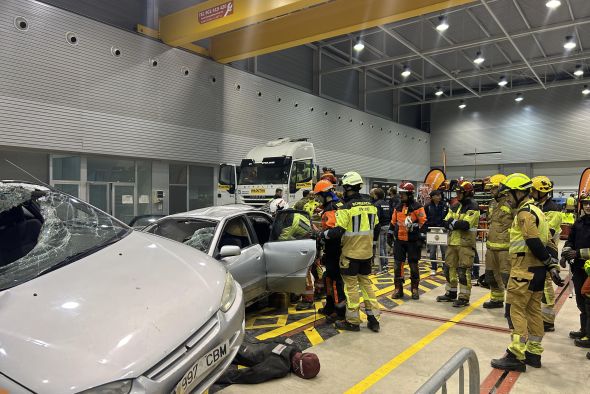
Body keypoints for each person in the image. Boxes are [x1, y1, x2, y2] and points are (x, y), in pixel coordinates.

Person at [491, 173, 564, 372]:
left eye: (508, 194)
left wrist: (550, 263)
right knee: (533, 311)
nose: (506, 198)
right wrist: (552, 265)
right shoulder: (538, 211)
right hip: (537, 272)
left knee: (514, 310)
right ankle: (534, 353)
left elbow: (532, 241)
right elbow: (548, 242)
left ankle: (516, 354)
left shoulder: (524, 213)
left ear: (519, 192)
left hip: (524, 269)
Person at [322, 171, 380, 332]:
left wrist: (322, 234)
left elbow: (337, 232)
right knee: (367, 285)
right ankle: (373, 319)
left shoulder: (345, 207)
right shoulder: (371, 205)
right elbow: (376, 228)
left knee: (351, 288)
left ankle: (353, 321)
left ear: (347, 187)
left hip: (350, 255)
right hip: (367, 254)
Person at [436, 181, 480, 307]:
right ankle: (451, 293)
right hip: (452, 243)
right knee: (449, 269)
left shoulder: (473, 206)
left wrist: (452, 222)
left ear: (467, 192)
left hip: (465, 244)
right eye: (457, 192)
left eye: (460, 192)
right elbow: (444, 221)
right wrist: (454, 223)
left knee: (463, 271)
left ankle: (464, 298)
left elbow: (465, 225)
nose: (457, 194)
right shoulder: (455, 205)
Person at [215, 337, 320, 385]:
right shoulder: (281, 365)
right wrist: (218, 377)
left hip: (242, 344)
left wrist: (219, 377)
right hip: (240, 347)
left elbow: (254, 373)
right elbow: (254, 374)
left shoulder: (293, 347)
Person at [531, 176, 562, 332]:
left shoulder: (553, 209)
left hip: (548, 252)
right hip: (537, 251)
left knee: (546, 286)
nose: (531, 192)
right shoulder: (538, 205)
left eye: (534, 190)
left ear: (541, 192)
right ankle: (540, 316)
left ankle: (548, 320)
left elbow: (546, 232)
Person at [388, 182, 427, 299]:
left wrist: (420, 238)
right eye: (400, 194)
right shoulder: (398, 207)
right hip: (399, 241)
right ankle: (398, 289)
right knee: (397, 265)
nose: (400, 196)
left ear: (410, 194)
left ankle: (414, 289)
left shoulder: (417, 207)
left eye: (403, 194)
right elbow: (393, 223)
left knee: (413, 265)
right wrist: (389, 235)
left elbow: (423, 223)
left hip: (413, 241)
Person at [314, 179, 345, 322]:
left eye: (319, 195)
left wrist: (320, 235)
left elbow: (333, 230)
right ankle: (330, 306)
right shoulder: (338, 203)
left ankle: (339, 312)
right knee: (329, 277)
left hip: (335, 248)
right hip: (338, 248)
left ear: (325, 194)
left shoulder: (331, 208)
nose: (317, 198)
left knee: (334, 280)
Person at [483, 174, 514, 309]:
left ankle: (513, 305)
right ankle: (496, 299)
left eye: (493, 188)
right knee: (491, 275)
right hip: (491, 247)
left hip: (506, 249)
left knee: (508, 278)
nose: (491, 191)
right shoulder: (492, 203)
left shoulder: (512, 203)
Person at [563, 192, 590, 345]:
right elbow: (570, 241)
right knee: (581, 301)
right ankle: (585, 330)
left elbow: (578, 250)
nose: (587, 205)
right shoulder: (579, 223)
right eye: (585, 203)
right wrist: (564, 253)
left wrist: (578, 253)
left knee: (589, 303)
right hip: (579, 268)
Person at [424, 190, 449, 276]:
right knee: (432, 251)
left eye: (440, 195)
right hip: (432, 230)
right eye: (437, 195)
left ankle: (445, 268)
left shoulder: (444, 205)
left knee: (444, 251)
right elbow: (424, 217)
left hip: (442, 229)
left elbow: (447, 216)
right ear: (433, 197)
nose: (439, 197)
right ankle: (433, 267)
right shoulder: (427, 206)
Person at [370, 187, 391, 274]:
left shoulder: (377, 204)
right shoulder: (387, 203)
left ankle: (382, 267)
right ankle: (385, 265)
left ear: (376, 195)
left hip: (380, 227)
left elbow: (376, 218)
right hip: (387, 226)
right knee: (384, 247)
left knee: (380, 248)